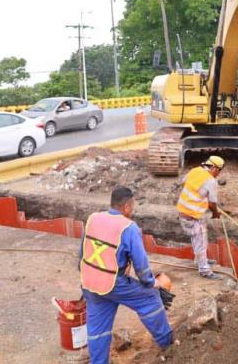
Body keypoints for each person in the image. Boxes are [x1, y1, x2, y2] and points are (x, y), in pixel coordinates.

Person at [79, 186, 173, 364]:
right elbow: (141, 265)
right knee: (150, 298)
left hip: (89, 281)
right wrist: (149, 283)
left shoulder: (93, 218)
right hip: (114, 281)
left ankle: (98, 361)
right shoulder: (128, 227)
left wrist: (87, 275)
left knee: (97, 328)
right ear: (127, 207)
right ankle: (168, 342)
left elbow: (82, 253)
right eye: (133, 206)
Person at [177, 155, 225, 279]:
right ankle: (204, 270)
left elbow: (183, 182)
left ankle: (199, 261)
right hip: (193, 215)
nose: (218, 174)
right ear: (214, 168)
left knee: (196, 237)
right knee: (201, 241)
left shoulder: (195, 170)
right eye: (219, 171)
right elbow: (213, 203)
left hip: (183, 211)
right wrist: (215, 213)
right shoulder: (210, 180)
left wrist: (198, 197)